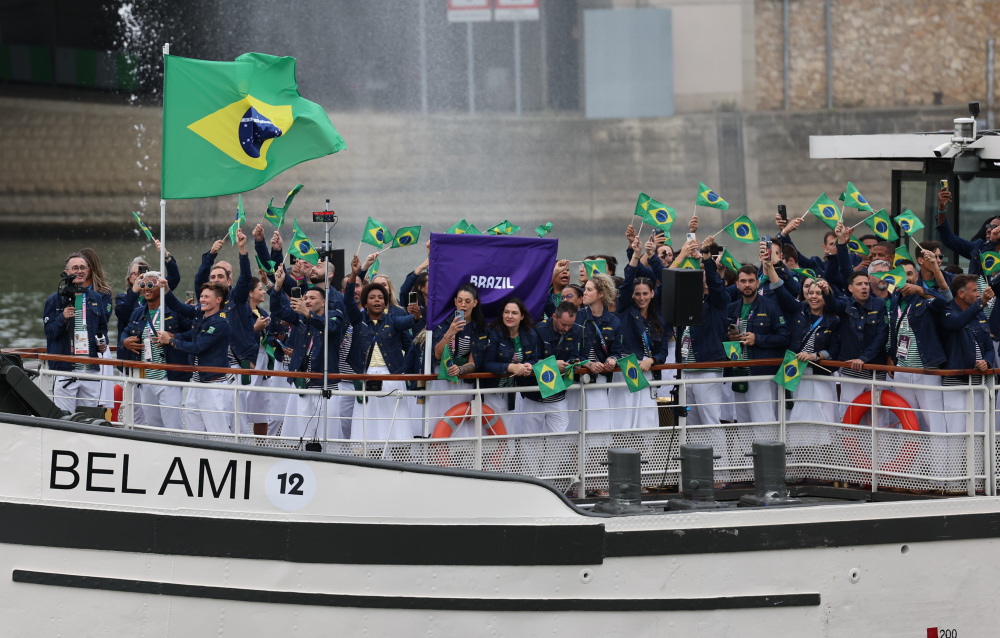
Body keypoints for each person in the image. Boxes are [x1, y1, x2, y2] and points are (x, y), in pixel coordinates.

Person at [762, 253, 840, 463]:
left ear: (826, 296)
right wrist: (770, 267)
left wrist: (816, 356)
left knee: (822, 416)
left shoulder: (833, 320)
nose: (814, 296)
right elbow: (779, 289)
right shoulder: (798, 310)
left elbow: (835, 349)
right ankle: (800, 463)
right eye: (810, 292)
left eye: (819, 293)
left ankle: (822, 463)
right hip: (796, 372)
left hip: (820, 375)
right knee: (797, 416)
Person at [345, 257, 419, 448]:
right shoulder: (357, 320)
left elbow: (410, 321)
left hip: (392, 377)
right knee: (367, 426)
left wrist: (417, 315)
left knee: (396, 428)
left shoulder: (394, 320)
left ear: (386, 302)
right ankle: (367, 460)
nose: (377, 300)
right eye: (372, 298)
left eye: (380, 297)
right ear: (365, 302)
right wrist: (354, 274)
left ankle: (399, 460)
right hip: (366, 376)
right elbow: (347, 300)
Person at [267, 265, 345, 443]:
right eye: (305, 297)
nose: (307, 300)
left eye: (312, 297)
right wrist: (278, 287)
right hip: (301, 383)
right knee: (303, 434)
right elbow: (277, 310)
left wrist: (308, 314)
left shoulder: (335, 315)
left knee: (328, 436)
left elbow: (328, 327)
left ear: (324, 302)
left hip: (325, 385)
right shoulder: (300, 317)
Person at [677, 241, 730, 482]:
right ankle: (698, 474)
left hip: (707, 369)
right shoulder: (684, 306)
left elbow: (717, 287)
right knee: (692, 424)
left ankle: (720, 473)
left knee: (710, 421)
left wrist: (708, 259)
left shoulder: (717, 302)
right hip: (686, 372)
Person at [725, 253, 790, 431]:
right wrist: (729, 339)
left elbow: (784, 338)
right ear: (737, 284)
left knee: (764, 424)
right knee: (744, 426)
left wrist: (758, 339)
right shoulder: (731, 308)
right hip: (739, 373)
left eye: (751, 281)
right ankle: (747, 460)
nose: (747, 285)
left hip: (761, 373)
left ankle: (768, 460)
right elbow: (724, 338)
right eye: (743, 281)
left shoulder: (771, 306)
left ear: (757, 282)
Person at [158, 282, 232, 433]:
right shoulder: (200, 312)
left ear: (218, 300)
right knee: (193, 424)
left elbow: (198, 348)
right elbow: (179, 307)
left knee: (218, 432)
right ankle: (195, 454)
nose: (202, 299)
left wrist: (171, 341)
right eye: (202, 296)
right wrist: (166, 290)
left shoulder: (220, 323)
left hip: (213, 384)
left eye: (206, 297)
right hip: (197, 381)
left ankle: (222, 456)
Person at [120, 275, 192, 429]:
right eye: (143, 285)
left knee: (173, 428)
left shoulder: (175, 311)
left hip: (168, 378)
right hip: (146, 379)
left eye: (151, 284)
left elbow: (195, 333)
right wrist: (124, 341)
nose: (146, 288)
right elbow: (125, 332)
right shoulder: (138, 313)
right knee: (153, 427)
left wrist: (174, 337)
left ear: (161, 286)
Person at [615, 236, 672, 430]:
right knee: (624, 421)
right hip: (626, 369)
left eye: (645, 294)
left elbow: (663, 351)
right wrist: (635, 256)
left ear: (653, 294)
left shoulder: (660, 320)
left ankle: (647, 458)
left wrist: (652, 360)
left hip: (647, 372)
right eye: (637, 294)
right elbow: (626, 283)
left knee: (647, 421)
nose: (641, 298)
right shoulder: (624, 310)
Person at [889, 256, 950, 433]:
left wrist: (920, 290)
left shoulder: (925, 297)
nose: (906, 278)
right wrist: (890, 356)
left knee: (934, 420)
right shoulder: (894, 301)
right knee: (907, 422)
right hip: (902, 370)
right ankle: (912, 461)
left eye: (909, 274)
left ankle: (940, 462)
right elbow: (892, 333)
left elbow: (945, 300)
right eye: (901, 275)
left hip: (927, 368)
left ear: (916, 276)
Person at [43, 252, 109, 413]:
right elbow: (49, 332)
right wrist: (62, 318)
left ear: (88, 271)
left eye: (83, 268)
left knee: (88, 419)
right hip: (65, 370)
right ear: (66, 272)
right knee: (65, 420)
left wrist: (102, 342)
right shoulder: (55, 300)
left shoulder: (96, 298)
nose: (79, 271)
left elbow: (103, 328)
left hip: (90, 370)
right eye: (75, 268)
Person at [528, 301, 584, 483]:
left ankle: (549, 482)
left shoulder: (576, 330)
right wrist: (553, 365)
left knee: (559, 440)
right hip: (533, 396)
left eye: (570, 325)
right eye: (563, 324)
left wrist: (576, 363)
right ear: (554, 316)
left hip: (558, 395)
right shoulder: (538, 330)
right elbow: (531, 360)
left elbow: (577, 354)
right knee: (529, 443)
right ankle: (531, 480)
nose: (567, 329)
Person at [426, 283, 490, 440]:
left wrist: (460, 370)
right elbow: (437, 355)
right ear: (455, 302)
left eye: (468, 301)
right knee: (438, 419)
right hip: (441, 379)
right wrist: (450, 333)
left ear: (475, 303)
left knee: (461, 420)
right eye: (460, 300)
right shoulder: (444, 322)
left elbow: (475, 362)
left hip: (463, 381)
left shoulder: (480, 328)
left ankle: (460, 455)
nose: (463, 305)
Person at [483, 298, 540, 473]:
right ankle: (493, 473)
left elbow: (535, 357)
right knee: (495, 438)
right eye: (506, 312)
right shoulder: (494, 332)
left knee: (513, 436)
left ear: (522, 316)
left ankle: (509, 472)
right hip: (495, 394)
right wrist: (510, 367)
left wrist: (530, 365)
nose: (510, 316)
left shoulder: (530, 333)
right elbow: (486, 364)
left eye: (514, 313)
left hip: (518, 395)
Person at [940, 275, 995, 434]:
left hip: (979, 385)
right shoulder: (947, 312)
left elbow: (990, 349)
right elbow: (958, 322)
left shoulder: (980, 315)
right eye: (975, 290)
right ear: (961, 294)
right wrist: (982, 302)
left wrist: (987, 362)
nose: (979, 294)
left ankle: (978, 460)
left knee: (979, 433)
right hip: (956, 384)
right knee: (956, 433)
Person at [574, 273, 622, 438]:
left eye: (588, 289)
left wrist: (612, 360)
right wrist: (587, 363)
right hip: (576, 379)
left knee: (598, 430)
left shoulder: (614, 321)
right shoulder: (577, 316)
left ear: (601, 294)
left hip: (599, 381)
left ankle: (595, 463)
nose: (584, 293)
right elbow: (570, 351)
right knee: (574, 429)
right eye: (584, 289)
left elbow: (616, 350)